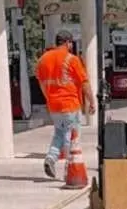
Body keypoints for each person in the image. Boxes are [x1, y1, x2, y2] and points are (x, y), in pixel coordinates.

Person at [35, 29, 94, 180]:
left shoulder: (43, 60)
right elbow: (84, 82)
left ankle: (51, 158)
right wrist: (92, 101)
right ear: (68, 43)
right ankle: (71, 168)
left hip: (53, 106)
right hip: (70, 104)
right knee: (72, 137)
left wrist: (49, 98)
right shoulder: (71, 59)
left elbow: (41, 83)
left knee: (60, 133)